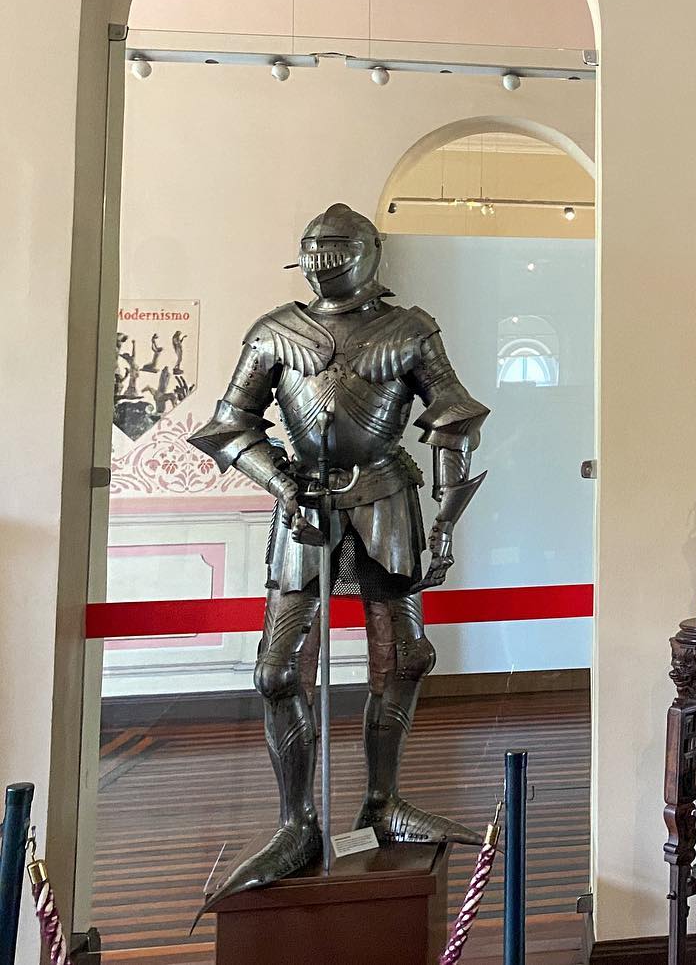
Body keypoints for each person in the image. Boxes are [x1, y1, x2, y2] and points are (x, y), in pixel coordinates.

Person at [188, 203, 490, 905]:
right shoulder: (275, 331)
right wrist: (281, 482)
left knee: (404, 659)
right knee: (276, 671)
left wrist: (446, 518)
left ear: (370, 252)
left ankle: (383, 801)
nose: (323, 259)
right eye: (314, 247)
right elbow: (230, 425)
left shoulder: (409, 329)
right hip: (302, 502)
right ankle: (296, 823)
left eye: (337, 247)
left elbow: (452, 415)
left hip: (387, 496)